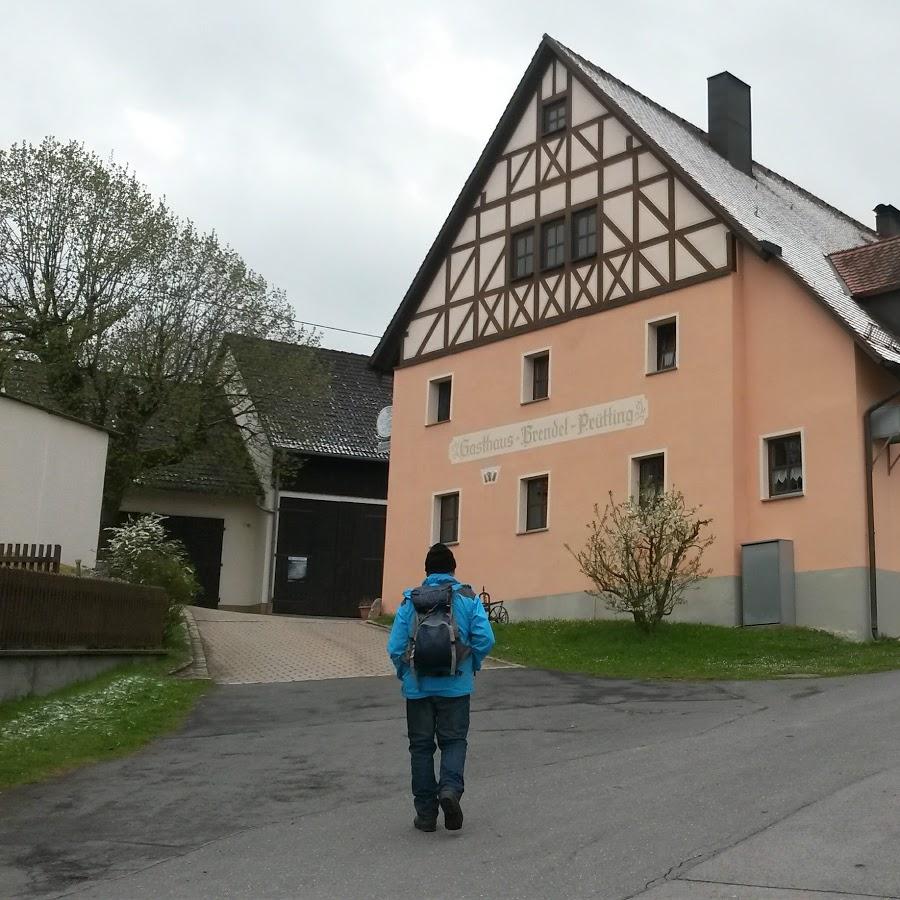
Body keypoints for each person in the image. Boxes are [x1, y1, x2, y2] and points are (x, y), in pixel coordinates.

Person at [387, 542, 495, 833]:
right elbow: (486, 640)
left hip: (418, 688)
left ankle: (425, 815)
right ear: (453, 569)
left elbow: (396, 647)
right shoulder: (468, 598)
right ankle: (449, 790)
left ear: (426, 571)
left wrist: (405, 673)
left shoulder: (410, 600)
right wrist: (471, 664)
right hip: (455, 686)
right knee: (454, 741)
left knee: (421, 748)